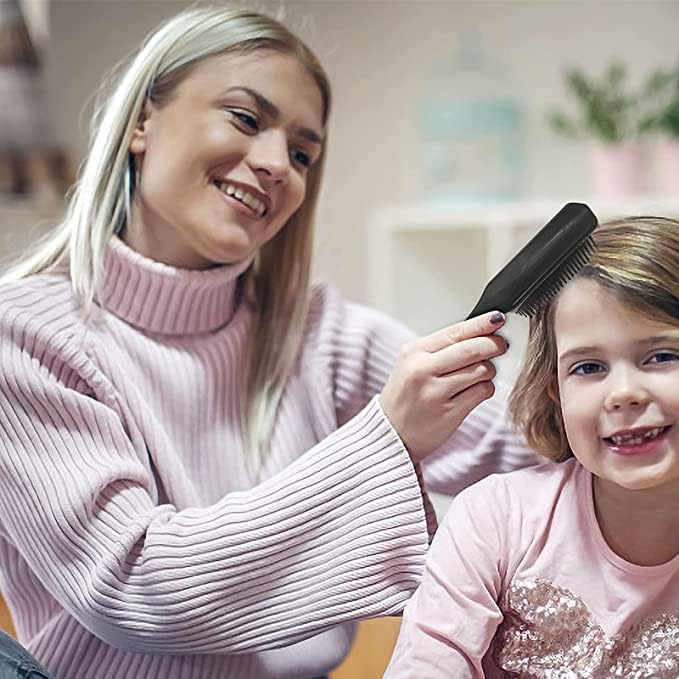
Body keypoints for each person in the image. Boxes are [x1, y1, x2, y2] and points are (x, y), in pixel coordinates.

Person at [0, 5, 536, 678]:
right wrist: (389, 438)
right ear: (141, 122)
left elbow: (531, 439)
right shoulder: (25, 336)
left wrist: (613, 382)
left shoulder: (318, 333)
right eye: (246, 119)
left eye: (303, 153)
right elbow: (138, 584)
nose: (277, 163)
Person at [384, 215, 679, 678]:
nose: (624, 393)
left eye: (661, 356)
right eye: (588, 367)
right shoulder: (496, 519)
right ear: (554, 391)